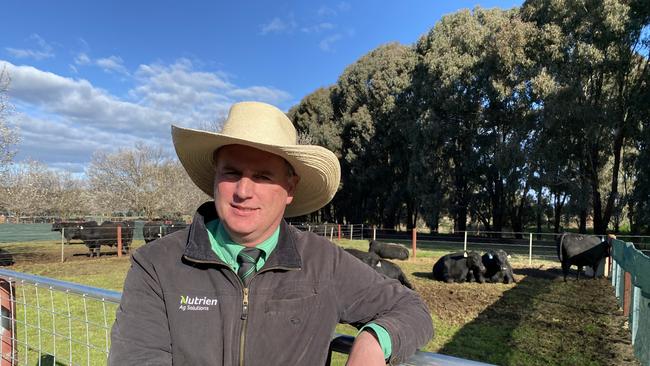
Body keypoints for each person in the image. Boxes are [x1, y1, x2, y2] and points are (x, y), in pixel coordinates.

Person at [109, 101, 433, 365]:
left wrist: (373, 342)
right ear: (214, 178)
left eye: (263, 176)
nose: (243, 191)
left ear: (290, 188)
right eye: (232, 173)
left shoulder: (323, 262)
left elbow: (412, 309)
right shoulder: (157, 266)